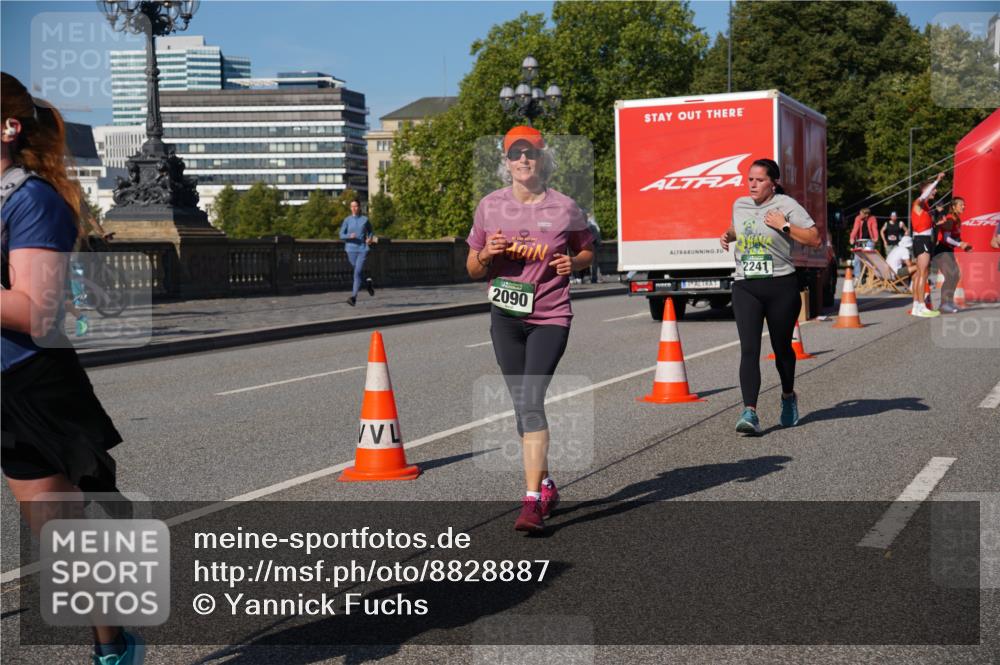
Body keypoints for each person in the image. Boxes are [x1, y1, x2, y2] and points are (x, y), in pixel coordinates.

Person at [1, 72, 142, 665]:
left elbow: (37, 314)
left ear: (8, 128)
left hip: (29, 383)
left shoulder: (32, 200)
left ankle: (113, 646)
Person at [466, 125, 593, 532]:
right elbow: (471, 268)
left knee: (531, 400)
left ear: (542, 159)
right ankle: (547, 483)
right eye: (515, 153)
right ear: (506, 161)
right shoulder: (489, 206)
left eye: (531, 152)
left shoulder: (564, 207)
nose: (523, 159)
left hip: (550, 316)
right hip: (505, 317)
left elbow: (588, 249)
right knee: (523, 406)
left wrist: (573, 264)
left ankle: (533, 501)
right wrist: (487, 252)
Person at [719, 158, 821, 434]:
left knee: (782, 349)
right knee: (749, 349)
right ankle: (749, 411)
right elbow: (741, 229)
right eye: (750, 179)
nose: (752, 184)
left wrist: (784, 226)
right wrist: (729, 235)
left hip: (781, 286)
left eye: (759, 179)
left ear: (772, 183)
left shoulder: (786, 206)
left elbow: (814, 239)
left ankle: (788, 396)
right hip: (746, 285)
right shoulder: (739, 204)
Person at [910, 172, 945, 317]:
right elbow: (924, 196)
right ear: (926, 190)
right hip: (921, 241)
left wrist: (936, 223)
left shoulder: (925, 206)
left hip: (923, 240)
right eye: (932, 190)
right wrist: (936, 180)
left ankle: (917, 305)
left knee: (921, 273)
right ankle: (920, 306)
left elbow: (925, 225)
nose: (935, 192)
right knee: (923, 273)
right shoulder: (918, 203)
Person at [932, 196, 972, 313]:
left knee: (955, 276)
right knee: (950, 276)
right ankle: (944, 304)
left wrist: (964, 245)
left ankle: (949, 302)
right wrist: (960, 245)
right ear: (953, 207)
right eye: (961, 205)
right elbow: (946, 238)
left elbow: (956, 238)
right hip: (942, 250)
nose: (963, 206)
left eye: (964, 204)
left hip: (949, 250)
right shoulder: (950, 219)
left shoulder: (957, 219)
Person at [338, 199, 375, 306]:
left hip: (363, 249)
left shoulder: (365, 219)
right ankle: (368, 284)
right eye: (352, 206)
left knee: (356, 272)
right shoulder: (347, 220)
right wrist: (349, 236)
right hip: (350, 249)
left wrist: (370, 238)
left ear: (359, 207)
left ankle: (353, 297)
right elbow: (341, 235)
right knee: (357, 273)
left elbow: (371, 231)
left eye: (356, 206)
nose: (353, 208)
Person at [849, 208, 878, 284]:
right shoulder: (858, 218)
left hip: (869, 240)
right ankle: (857, 277)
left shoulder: (872, 219)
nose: (860, 215)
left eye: (861, 214)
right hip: (861, 241)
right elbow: (855, 229)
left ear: (866, 215)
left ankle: (870, 276)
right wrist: (852, 238)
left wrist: (875, 238)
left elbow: (874, 228)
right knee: (857, 258)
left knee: (868, 259)